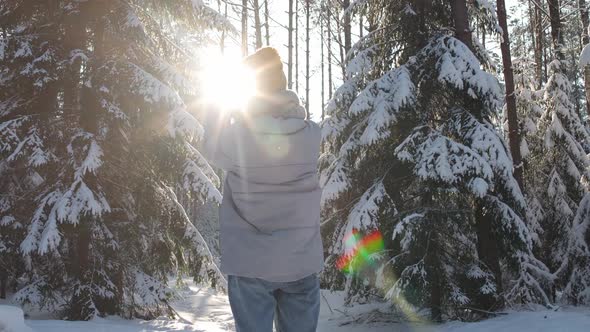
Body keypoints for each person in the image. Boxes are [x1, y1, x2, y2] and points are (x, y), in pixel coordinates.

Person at [200, 47, 324, 332]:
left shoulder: (237, 139)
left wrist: (222, 109)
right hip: (301, 262)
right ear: (282, 85)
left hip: (250, 265)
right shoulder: (311, 136)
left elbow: (209, 144)